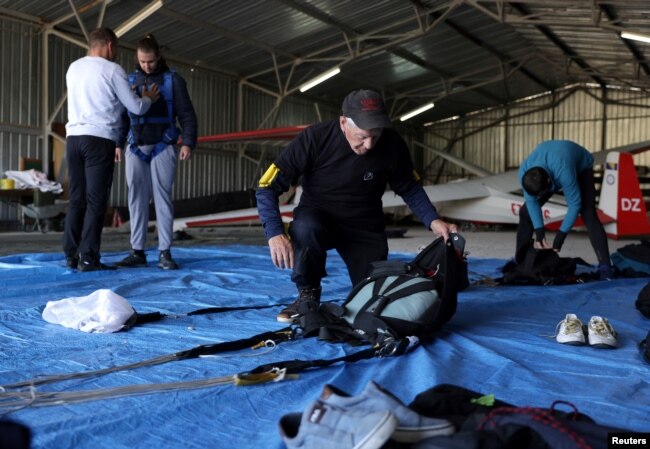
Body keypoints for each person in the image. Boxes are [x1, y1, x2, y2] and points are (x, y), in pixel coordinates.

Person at [256, 89, 457, 322]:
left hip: (364, 227)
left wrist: (433, 220)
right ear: (343, 123)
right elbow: (267, 186)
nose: (370, 144)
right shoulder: (315, 138)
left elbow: (409, 187)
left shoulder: (392, 145)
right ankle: (307, 295)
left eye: (376, 135)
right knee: (305, 227)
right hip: (318, 218)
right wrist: (274, 232)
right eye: (362, 136)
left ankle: (365, 292)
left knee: (372, 299)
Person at [64, 27, 159, 272]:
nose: (115, 53)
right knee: (96, 201)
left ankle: (70, 255)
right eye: (115, 48)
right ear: (108, 45)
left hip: (73, 138)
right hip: (99, 139)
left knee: (76, 199)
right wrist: (148, 97)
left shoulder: (74, 67)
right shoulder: (113, 69)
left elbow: (99, 98)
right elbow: (136, 108)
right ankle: (89, 259)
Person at [115, 34, 197, 270]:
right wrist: (118, 144)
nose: (147, 66)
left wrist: (187, 143)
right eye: (142, 61)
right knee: (136, 199)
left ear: (158, 57)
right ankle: (137, 251)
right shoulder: (129, 80)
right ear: (137, 58)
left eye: (150, 61)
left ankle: (164, 252)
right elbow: (122, 116)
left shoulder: (174, 81)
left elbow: (187, 114)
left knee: (162, 198)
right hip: (135, 145)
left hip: (164, 145)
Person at [517, 139, 613, 279]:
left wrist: (560, 236)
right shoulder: (524, 173)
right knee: (525, 213)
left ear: (550, 182)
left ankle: (605, 267)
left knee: (588, 213)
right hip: (550, 164)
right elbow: (532, 203)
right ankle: (521, 261)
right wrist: (539, 232)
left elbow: (574, 205)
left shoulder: (564, 171)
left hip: (579, 163)